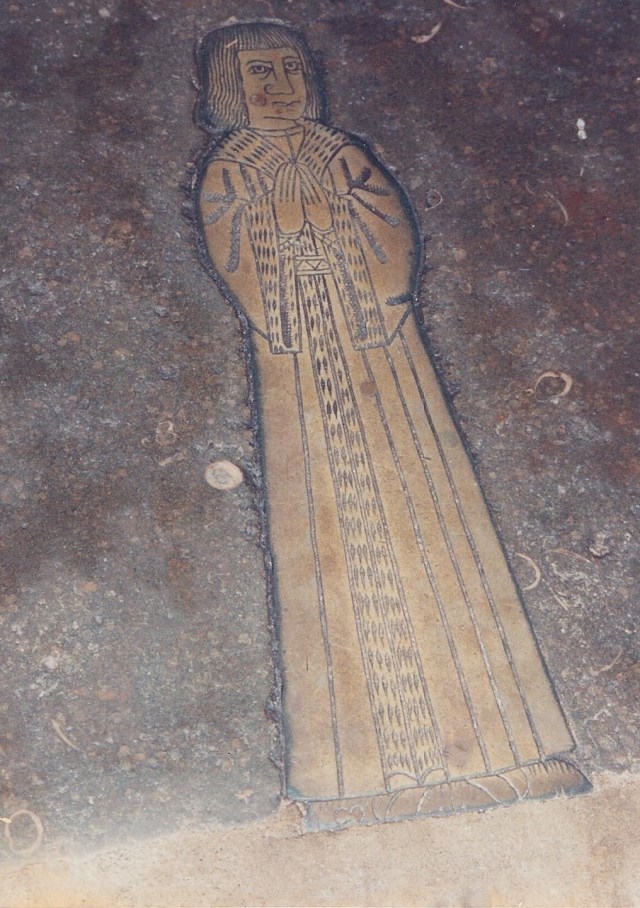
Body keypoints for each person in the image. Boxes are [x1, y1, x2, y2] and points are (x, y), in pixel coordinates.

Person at [194, 21, 588, 829]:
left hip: (382, 350)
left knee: (428, 511)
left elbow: (387, 231)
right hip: (301, 359)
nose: (275, 84)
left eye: (288, 68)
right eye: (256, 72)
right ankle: (355, 774)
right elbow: (235, 251)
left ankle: (500, 748)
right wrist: (288, 278)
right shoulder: (232, 167)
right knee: (327, 538)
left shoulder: (340, 153)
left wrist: (368, 280)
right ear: (228, 88)